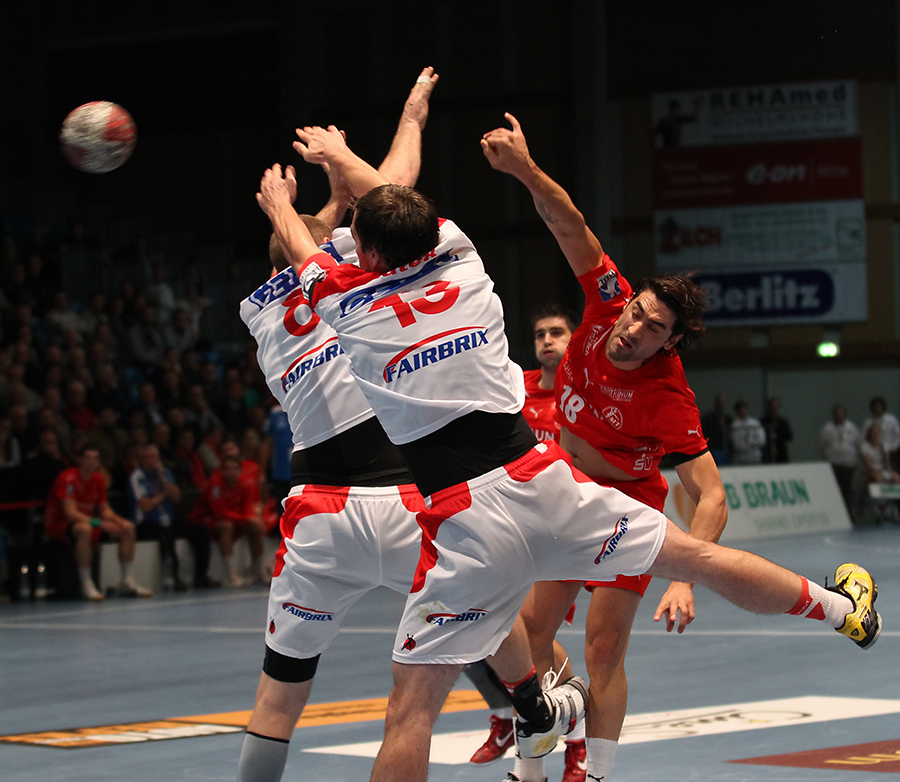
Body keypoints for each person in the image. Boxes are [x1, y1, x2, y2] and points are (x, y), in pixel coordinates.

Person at [257, 120, 880, 782]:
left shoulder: (348, 302)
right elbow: (390, 193)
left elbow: (303, 250)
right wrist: (346, 156)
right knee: (698, 558)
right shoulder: (460, 256)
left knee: (410, 715)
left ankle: (549, 734)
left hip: (464, 524)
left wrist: (276, 204)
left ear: (371, 257)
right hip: (545, 484)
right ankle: (844, 610)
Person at [481, 112, 728, 782]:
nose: (634, 329)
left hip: (627, 510)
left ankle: (595, 773)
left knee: (603, 648)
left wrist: (686, 577)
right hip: (567, 495)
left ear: (669, 344)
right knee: (531, 638)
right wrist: (526, 170)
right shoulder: (604, 300)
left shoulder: (668, 394)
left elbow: (711, 495)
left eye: (653, 329)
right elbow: (571, 225)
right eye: (636, 314)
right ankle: (535, 765)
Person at [236, 67, 440, 782]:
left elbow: (324, 229)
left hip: (318, 514)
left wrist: (306, 205)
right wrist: (411, 117)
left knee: (277, 695)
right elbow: (390, 192)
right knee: (464, 631)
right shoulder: (350, 280)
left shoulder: (261, 312)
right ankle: (532, 714)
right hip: (403, 497)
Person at [467, 301, 581, 772]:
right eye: (540, 334)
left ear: (575, 338)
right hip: (509, 526)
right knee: (471, 623)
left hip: (558, 534)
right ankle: (504, 715)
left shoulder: (584, 394)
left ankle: (573, 739)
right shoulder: (517, 389)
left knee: (534, 636)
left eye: (557, 332)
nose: (548, 341)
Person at [43, 444, 153, 601]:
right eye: (87, 457)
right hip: (60, 525)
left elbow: (104, 509)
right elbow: (71, 513)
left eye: (95, 458)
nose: (91, 462)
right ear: (79, 460)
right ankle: (86, 583)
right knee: (84, 529)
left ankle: (127, 580)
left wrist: (117, 521)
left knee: (128, 527)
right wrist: (101, 524)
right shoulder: (68, 479)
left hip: (89, 522)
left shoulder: (98, 479)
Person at [128, 443, 213, 591]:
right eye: (146, 458)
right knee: (165, 535)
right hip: (147, 523)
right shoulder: (137, 477)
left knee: (200, 532)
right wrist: (163, 494)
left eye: (153, 457)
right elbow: (145, 506)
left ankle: (201, 576)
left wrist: (162, 478)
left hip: (169, 520)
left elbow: (176, 497)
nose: (150, 461)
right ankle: (173, 578)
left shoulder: (165, 473)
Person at [819, 404, 862, 521]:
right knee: (836, 489)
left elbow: (859, 444)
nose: (839, 415)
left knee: (848, 489)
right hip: (834, 463)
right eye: (836, 413)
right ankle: (836, 515)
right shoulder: (827, 428)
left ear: (844, 414)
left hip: (849, 463)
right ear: (833, 415)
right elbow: (822, 445)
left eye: (841, 413)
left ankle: (849, 514)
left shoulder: (852, 428)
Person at [863, 397, 900, 472]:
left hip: (890, 452)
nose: (877, 408)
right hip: (874, 453)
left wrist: (893, 448)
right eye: (875, 406)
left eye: (879, 406)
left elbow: (898, 435)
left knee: (892, 472)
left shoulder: (891, 420)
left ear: (883, 407)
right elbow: (864, 438)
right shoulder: (868, 422)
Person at [700, 393, 732, 465]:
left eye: (723, 403)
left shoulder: (728, 419)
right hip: (712, 449)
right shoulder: (708, 419)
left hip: (725, 450)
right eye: (719, 402)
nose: (721, 405)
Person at [730, 400, 766, 465]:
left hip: (756, 456)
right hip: (741, 458)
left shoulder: (755, 423)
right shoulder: (735, 425)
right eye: (740, 409)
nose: (742, 411)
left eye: (744, 409)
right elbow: (736, 443)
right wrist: (746, 445)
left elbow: (762, 440)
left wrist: (751, 443)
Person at [761, 396, 792, 464]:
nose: (774, 408)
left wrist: (778, 435)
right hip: (767, 453)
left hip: (781, 452)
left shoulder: (783, 422)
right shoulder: (763, 421)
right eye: (772, 406)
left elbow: (789, 436)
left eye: (776, 406)